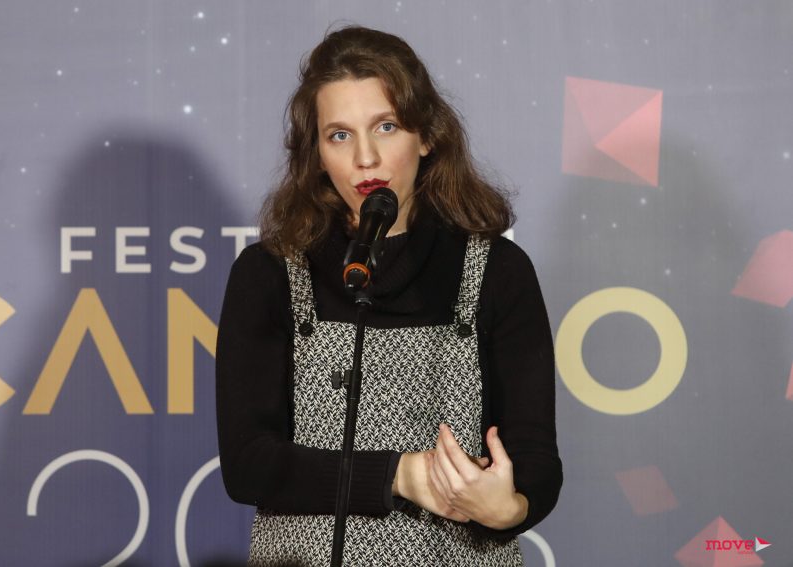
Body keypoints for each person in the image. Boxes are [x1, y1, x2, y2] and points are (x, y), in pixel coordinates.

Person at [216, 25, 562, 566]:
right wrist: (400, 475)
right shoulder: (271, 273)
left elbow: (534, 457)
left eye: (386, 126)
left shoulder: (497, 270)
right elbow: (248, 465)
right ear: (316, 154)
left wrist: (508, 507)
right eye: (339, 135)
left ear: (426, 136)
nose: (366, 158)